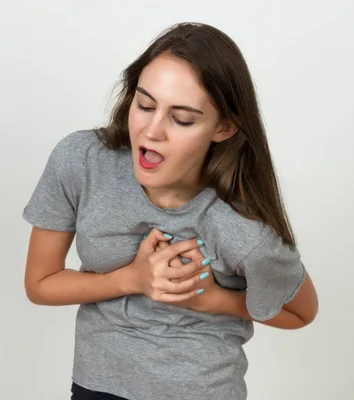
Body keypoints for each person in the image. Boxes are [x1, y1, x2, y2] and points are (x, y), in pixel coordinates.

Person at [22, 22, 318, 400]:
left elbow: (301, 313)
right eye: (144, 105)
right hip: (96, 385)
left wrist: (211, 299)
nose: (152, 130)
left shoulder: (245, 232)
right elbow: (40, 283)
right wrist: (133, 279)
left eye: (181, 119)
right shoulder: (81, 163)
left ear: (223, 128)